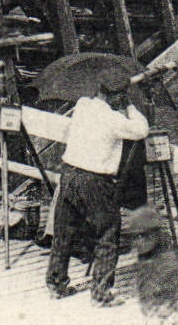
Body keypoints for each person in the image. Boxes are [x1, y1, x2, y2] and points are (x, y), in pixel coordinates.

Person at [45, 73, 149, 305]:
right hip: (94, 179)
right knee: (107, 232)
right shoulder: (113, 120)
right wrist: (130, 106)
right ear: (117, 96)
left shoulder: (83, 105)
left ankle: (56, 283)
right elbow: (142, 130)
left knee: (64, 232)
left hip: (69, 173)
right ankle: (101, 294)